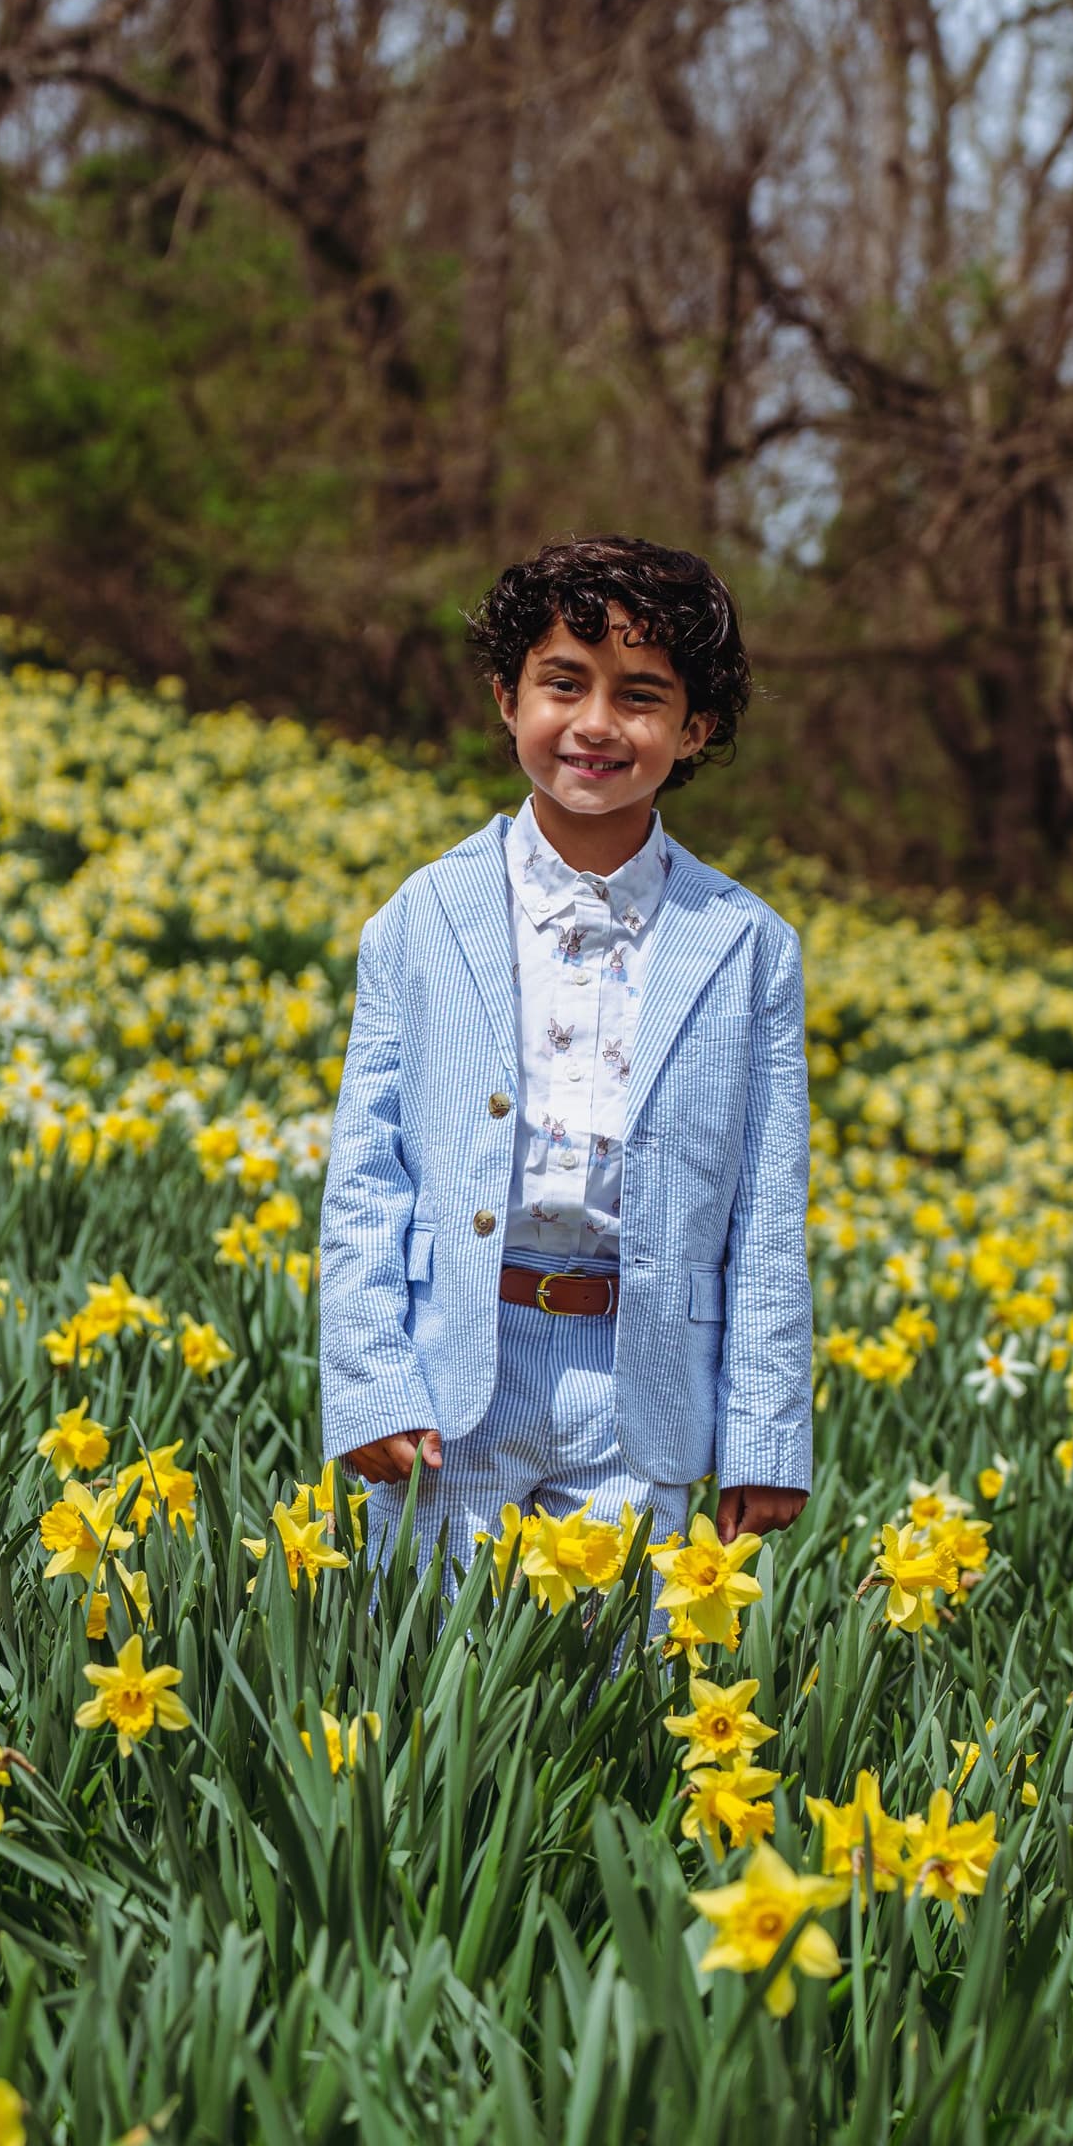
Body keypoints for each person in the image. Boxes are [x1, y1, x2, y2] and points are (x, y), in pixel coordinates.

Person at [318, 532, 812, 1575]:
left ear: (695, 728)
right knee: (426, 1686)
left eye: (640, 695)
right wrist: (370, 1385)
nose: (594, 724)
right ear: (506, 696)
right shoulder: (421, 917)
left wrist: (763, 1437)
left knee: (608, 1695)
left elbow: (767, 1212)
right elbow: (366, 1178)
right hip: (453, 1375)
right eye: (561, 683)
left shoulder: (747, 944)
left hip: (640, 1386)